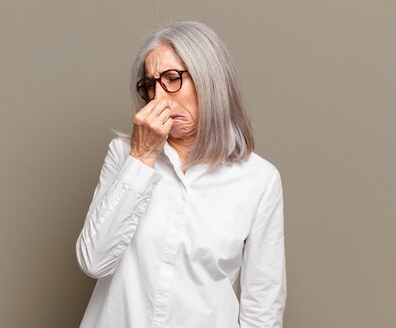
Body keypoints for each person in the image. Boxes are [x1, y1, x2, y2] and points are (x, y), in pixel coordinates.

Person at [76, 20, 286, 328]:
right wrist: (142, 157)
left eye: (172, 79)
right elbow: (94, 261)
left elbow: (263, 306)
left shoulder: (259, 180)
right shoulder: (124, 155)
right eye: (150, 85)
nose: (159, 98)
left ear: (209, 81)